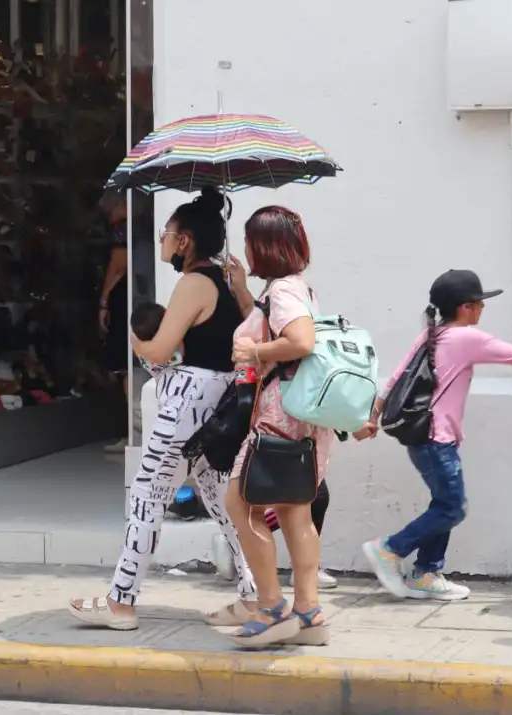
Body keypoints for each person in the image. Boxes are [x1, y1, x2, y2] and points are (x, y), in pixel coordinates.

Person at [68, 187, 256, 631]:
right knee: (223, 501)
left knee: (146, 496)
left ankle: (120, 601)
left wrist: (134, 341)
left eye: (166, 233)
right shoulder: (226, 283)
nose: (162, 241)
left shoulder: (193, 284)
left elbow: (160, 349)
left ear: (185, 240)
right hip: (218, 405)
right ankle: (254, 594)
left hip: (186, 405)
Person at [356, 270, 512, 602]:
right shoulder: (466, 338)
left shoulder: (432, 335)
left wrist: (373, 419)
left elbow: (393, 381)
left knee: (443, 504)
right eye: (479, 304)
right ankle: (389, 549)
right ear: (466, 307)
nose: (482, 310)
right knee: (452, 509)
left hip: (424, 441)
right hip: (436, 441)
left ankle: (426, 573)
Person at [212, 205, 327, 648]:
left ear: (263, 246)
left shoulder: (282, 293)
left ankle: (272, 606)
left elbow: (300, 341)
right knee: (296, 511)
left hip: (279, 418)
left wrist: (253, 353)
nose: (244, 248)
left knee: (242, 504)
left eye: (248, 241)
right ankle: (309, 613)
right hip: (300, 417)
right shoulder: (295, 288)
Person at [99, 191, 130, 452]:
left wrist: (104, 300)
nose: (110, 219)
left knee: (123, 367)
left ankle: (130, 431)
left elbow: (117, 265)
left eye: (111, 212)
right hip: (137, 297)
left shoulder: (123, 230)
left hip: (123, 300)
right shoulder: (142, 224)